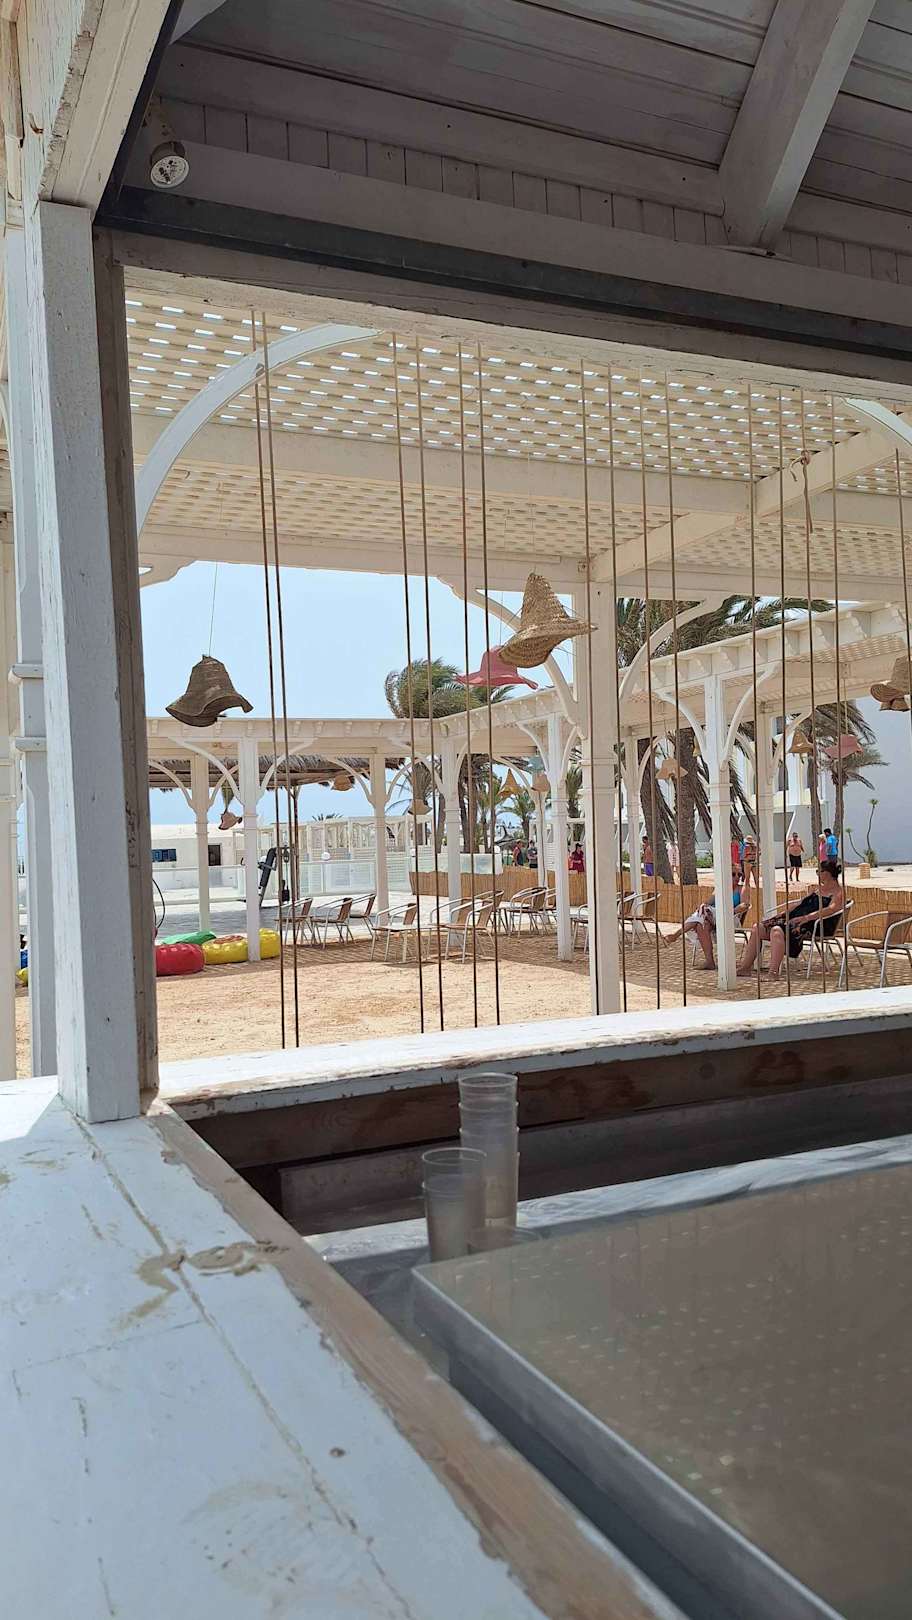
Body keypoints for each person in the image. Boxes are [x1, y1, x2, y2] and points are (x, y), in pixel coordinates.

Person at [737, 860, 845, 981]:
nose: (817, 874)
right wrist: (783, 914)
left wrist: (806, 917)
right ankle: (745, 967)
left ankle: (773, 972)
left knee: (776, 931)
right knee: (757, 928)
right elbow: (800, 904)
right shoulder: (818, 889)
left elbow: (831, 910)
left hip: (814, 925)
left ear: (828, 873)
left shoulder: (838, 892)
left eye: (819, 871)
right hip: (797, 918)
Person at [667, 873, 747, 970]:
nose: (737, 877)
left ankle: (677, 934)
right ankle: (710, 962)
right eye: (733, 874)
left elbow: (745, 905)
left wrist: (730, 912)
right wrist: (704, 906)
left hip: (730, 919)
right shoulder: (720, 889)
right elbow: (708, 902)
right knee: (702, 923)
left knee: (701, 919)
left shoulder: (741, 889)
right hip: (714, 917)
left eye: (739, 875)